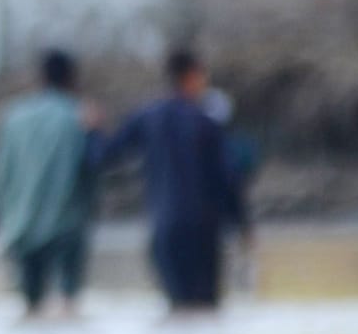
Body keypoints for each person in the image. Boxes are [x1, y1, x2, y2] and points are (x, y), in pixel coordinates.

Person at [100, 49, 252, 310]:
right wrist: (243, 226)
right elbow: (228, 180)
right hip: (203, 232)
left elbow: (107, 154)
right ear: (192, 76)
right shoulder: (206, 123)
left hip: (164, 230)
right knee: (205, 312)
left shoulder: (146, 117)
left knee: (178, 310)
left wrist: (91, 131)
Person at [0, 49, 99, 317]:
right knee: (68, 307)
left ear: (40, 78)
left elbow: (0, 173)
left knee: (30, 308)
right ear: (72, 79)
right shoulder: (78, 116)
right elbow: (93, 166)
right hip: (66, 225)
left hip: (21, 224)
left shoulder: (13, 116)